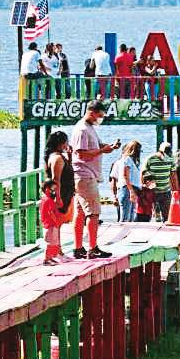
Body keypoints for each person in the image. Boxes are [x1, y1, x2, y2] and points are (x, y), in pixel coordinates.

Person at [70, 100, 118, 259]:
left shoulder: (89, 127)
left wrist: (107, 147)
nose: (100, 119)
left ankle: (78, 248)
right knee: (93, 213)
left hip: (85, 175)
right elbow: (81, 154)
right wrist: (101, 150)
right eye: (99, 116)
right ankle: (92, 248)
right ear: (91, 112)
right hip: (85, 174)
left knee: (81, 213)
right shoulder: (82, 129)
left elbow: (94, 146)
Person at [45, 131, 75, 225]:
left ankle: (57, 239)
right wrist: (58, 198)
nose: (68, 144)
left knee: (61, 222)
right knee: (57, 222)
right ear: (61, 143)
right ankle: (55, 239)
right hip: (61, 194)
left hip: (66, 192)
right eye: (66, 142)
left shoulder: (60, 156)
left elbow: (66, 171)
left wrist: (70, 156)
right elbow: (56, 179)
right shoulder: (57, 158)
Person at [142, 141, 177, 221]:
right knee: (155, 215)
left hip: (166, 191)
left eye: (169, 151)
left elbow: (174, 176)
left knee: (167, 215)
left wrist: (176, 191)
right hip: (153, 192)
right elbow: (143, 173)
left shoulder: (171, 159)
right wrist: (144, 188)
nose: (166, 154)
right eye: (165, 151)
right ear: (160, 151)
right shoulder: (150, 159)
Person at [116, 141, 142, 223]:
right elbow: (125, 176)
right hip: (127, 189)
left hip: (132, 188)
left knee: (131, 216)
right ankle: (122, 234)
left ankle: (128, 234)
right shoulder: (127, 159)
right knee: (125, 218)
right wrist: (131, 191)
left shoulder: (133, 161)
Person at [40, 180, 63, 265]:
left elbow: (60, 205)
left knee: (53, 242)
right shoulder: (48, 200)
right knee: (49, 242)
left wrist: (57, 194)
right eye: (52, 190)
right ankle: (46, 259)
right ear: (47, 189)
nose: (54, 192)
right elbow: (51, 212)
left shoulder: (45, 198)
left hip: (49, 224)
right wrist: (56, 223)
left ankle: (50, 257)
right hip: (51, 224)